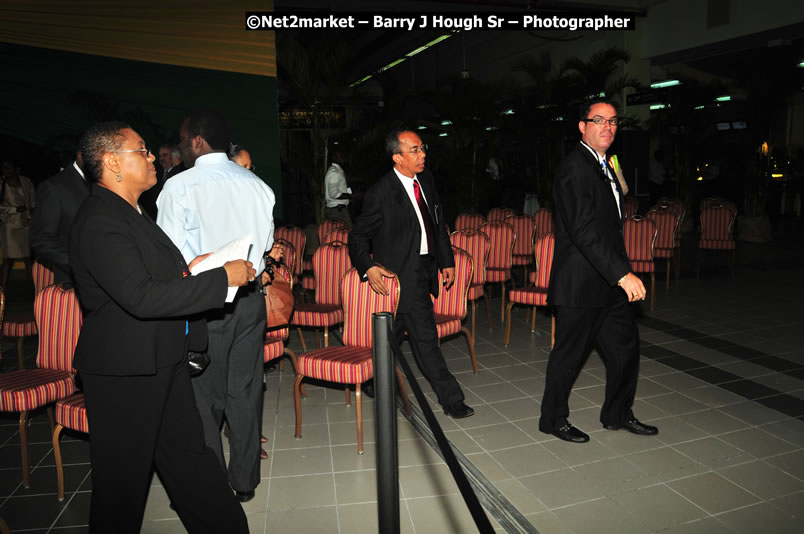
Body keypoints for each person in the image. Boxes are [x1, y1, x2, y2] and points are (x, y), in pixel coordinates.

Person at [69, 121, 253, 533]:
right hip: (124, 373)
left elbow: (151, 278)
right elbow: (141, 297)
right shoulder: (100, 219)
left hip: (161, 359)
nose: (153, 157)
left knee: (190, 461)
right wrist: (221, 278)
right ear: (112, 162)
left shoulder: (130, 211)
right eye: (142, 150)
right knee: (121, 487)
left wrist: (193, 269)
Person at [157, 110, 277, 503]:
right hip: (251, 301)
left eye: (182, 140)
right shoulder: (259, 186)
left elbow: (168, 254)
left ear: (196, 141)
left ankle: (210, 486)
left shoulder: (179, 186)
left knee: (203, 398)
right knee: (245, 390)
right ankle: (244, 481)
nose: (180, 148)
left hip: (203, 304)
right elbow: (265, 245)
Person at [539, 98, 658, 443]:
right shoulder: (574, 169)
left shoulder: (606, 164)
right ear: (582, 126)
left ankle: (618, 414)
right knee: (569, 356)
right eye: (599, 120)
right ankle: (553, 419)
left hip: (608, 281)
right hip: (581, 283)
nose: (608, 127)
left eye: (613, 121)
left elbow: (610, 223)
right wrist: (623, 274)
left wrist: (617, 274)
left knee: (625, 350)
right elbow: (583, 230)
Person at [349, 129, 474, 419]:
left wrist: (446, 261)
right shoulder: (381, 193)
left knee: (397, 335)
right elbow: (357, 237)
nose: (422, 154)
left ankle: (374, 380)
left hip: (423, 271)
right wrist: (368, 267)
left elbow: (437, 224)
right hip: (397, 278)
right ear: (397, 157)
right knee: (422, 338)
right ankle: (452, 399)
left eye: (422, 148)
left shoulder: (426, 181)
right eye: (415, 150)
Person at [30, 151, 89, 284]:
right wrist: (81, 267)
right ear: (81, 154)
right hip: (75, 283)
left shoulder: (108, 182)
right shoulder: (54, 187)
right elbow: (42, 240)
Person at [0, 160, 36, 288]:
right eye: (4, 168)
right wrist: (14, 209)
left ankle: (35, 290)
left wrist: (32, 210)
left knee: (28, 258)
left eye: (8, 167)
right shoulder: (1, 183)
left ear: (17, 169)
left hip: (26, 224)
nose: (5, 170)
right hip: (9, 226)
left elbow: (33, 199)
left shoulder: (26, 181)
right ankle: (2, 291)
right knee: (7, 259)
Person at [324, 150, 351, 224]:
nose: (343, 157)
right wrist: (351, 196)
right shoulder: (334, 172)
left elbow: (344, 189)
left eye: (343, 155)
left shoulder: (339, 171)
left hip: (339, 210)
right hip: (337, 211)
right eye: (340, 155)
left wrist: (350, 195)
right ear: (334, 157)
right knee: (348, 230)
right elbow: (334, 194)